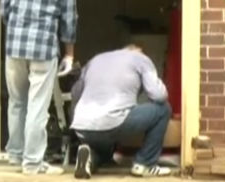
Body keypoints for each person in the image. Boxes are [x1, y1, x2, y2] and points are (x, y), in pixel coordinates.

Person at [0, 0, 78, 175]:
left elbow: (5, 9)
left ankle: (15, 154)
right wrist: (69, 55)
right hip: (43, 49)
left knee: (17, 101)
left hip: (14, 47)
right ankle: (32, 163)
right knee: (37, 105)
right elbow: (69, 21)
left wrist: (16, 31)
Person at [70, 44, 172, 179]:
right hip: (114, 122)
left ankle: (89, 157)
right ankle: (145, 164)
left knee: (105, 154)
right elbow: (159, 95)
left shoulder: (96, 60)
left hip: (82, 126)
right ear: (138, 52)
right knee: (163, 109)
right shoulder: (140, 59)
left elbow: (75, 93)